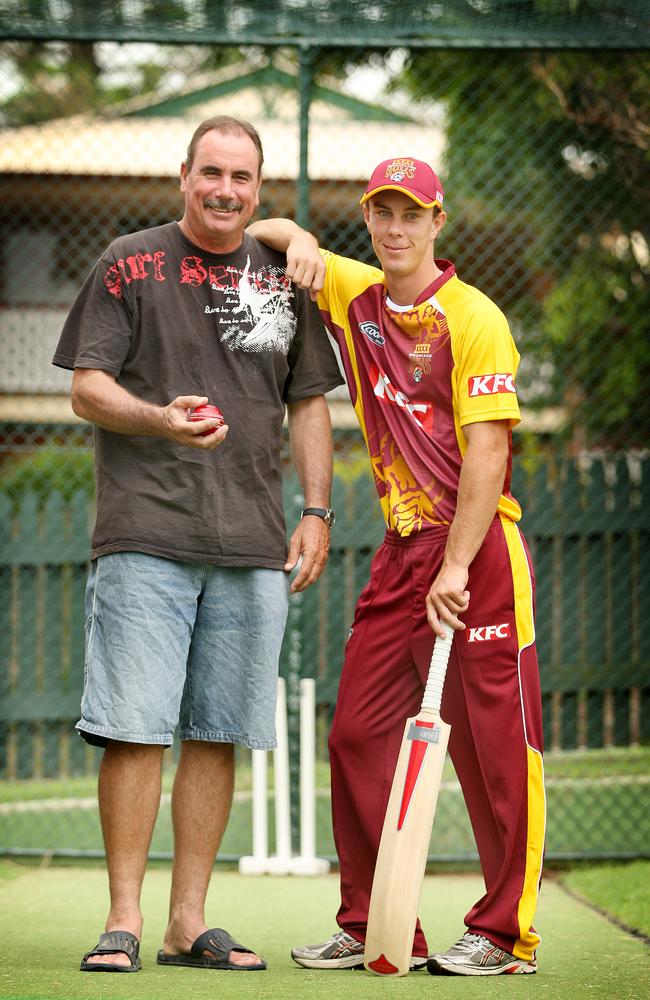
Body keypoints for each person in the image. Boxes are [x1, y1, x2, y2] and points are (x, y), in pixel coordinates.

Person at [52, 115, 344, 975]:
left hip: (254, 542)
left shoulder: (286, 276)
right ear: (184, 176)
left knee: (217, 733)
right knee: (136, 730)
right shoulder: (129, 262)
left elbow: (312, 404)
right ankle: (123, 920)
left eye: (241, 178)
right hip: (145, 532)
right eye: (209, 172)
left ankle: (188, 922)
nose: (224, 189)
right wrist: (161, 421)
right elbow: (86, 389)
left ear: (259, 190)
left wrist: (317, 511)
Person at [248, 156, 545, 976]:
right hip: (402, 548)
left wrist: (457, 563)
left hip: (477, 551)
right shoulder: (356, 293)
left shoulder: (474, 317)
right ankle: (375, 924)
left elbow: (490, 449)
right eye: (383, 213)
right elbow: (263, 230)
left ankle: (502, 933)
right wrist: (301, 235)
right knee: (354, 735)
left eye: (411, 214)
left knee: (495, 749)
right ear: (369, 219)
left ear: (437, 221)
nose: (396, 228)